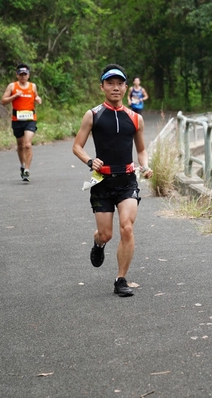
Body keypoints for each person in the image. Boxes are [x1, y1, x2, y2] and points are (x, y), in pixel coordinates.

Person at [72, 64, 153, 297]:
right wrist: (90, 161)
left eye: (119, 83)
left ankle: (121, 279)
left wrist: (145, 165)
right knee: (106, 234)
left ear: (126, 87)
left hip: (127, 181)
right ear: (102, 87)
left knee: (127, 227)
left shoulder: (135, 118)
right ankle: (99, 243)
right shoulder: (93, 115)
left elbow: (141, 150)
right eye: (110, 83)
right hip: (102, 182)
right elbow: (77, 146)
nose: (115, 87)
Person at [1, 63, 42, 182]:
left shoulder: (32, 86)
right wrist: (14, 96)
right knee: (20, 145)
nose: (23, 76)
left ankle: (27, 170)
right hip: (17, 119)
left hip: (30, 119)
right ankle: (22, 165)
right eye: (21, 74)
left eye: (25, 74)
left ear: (28, 75)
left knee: (27, 145)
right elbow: (3, 101)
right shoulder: (12, 86)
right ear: (17, 75)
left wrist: (38, 99)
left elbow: (36, 96)